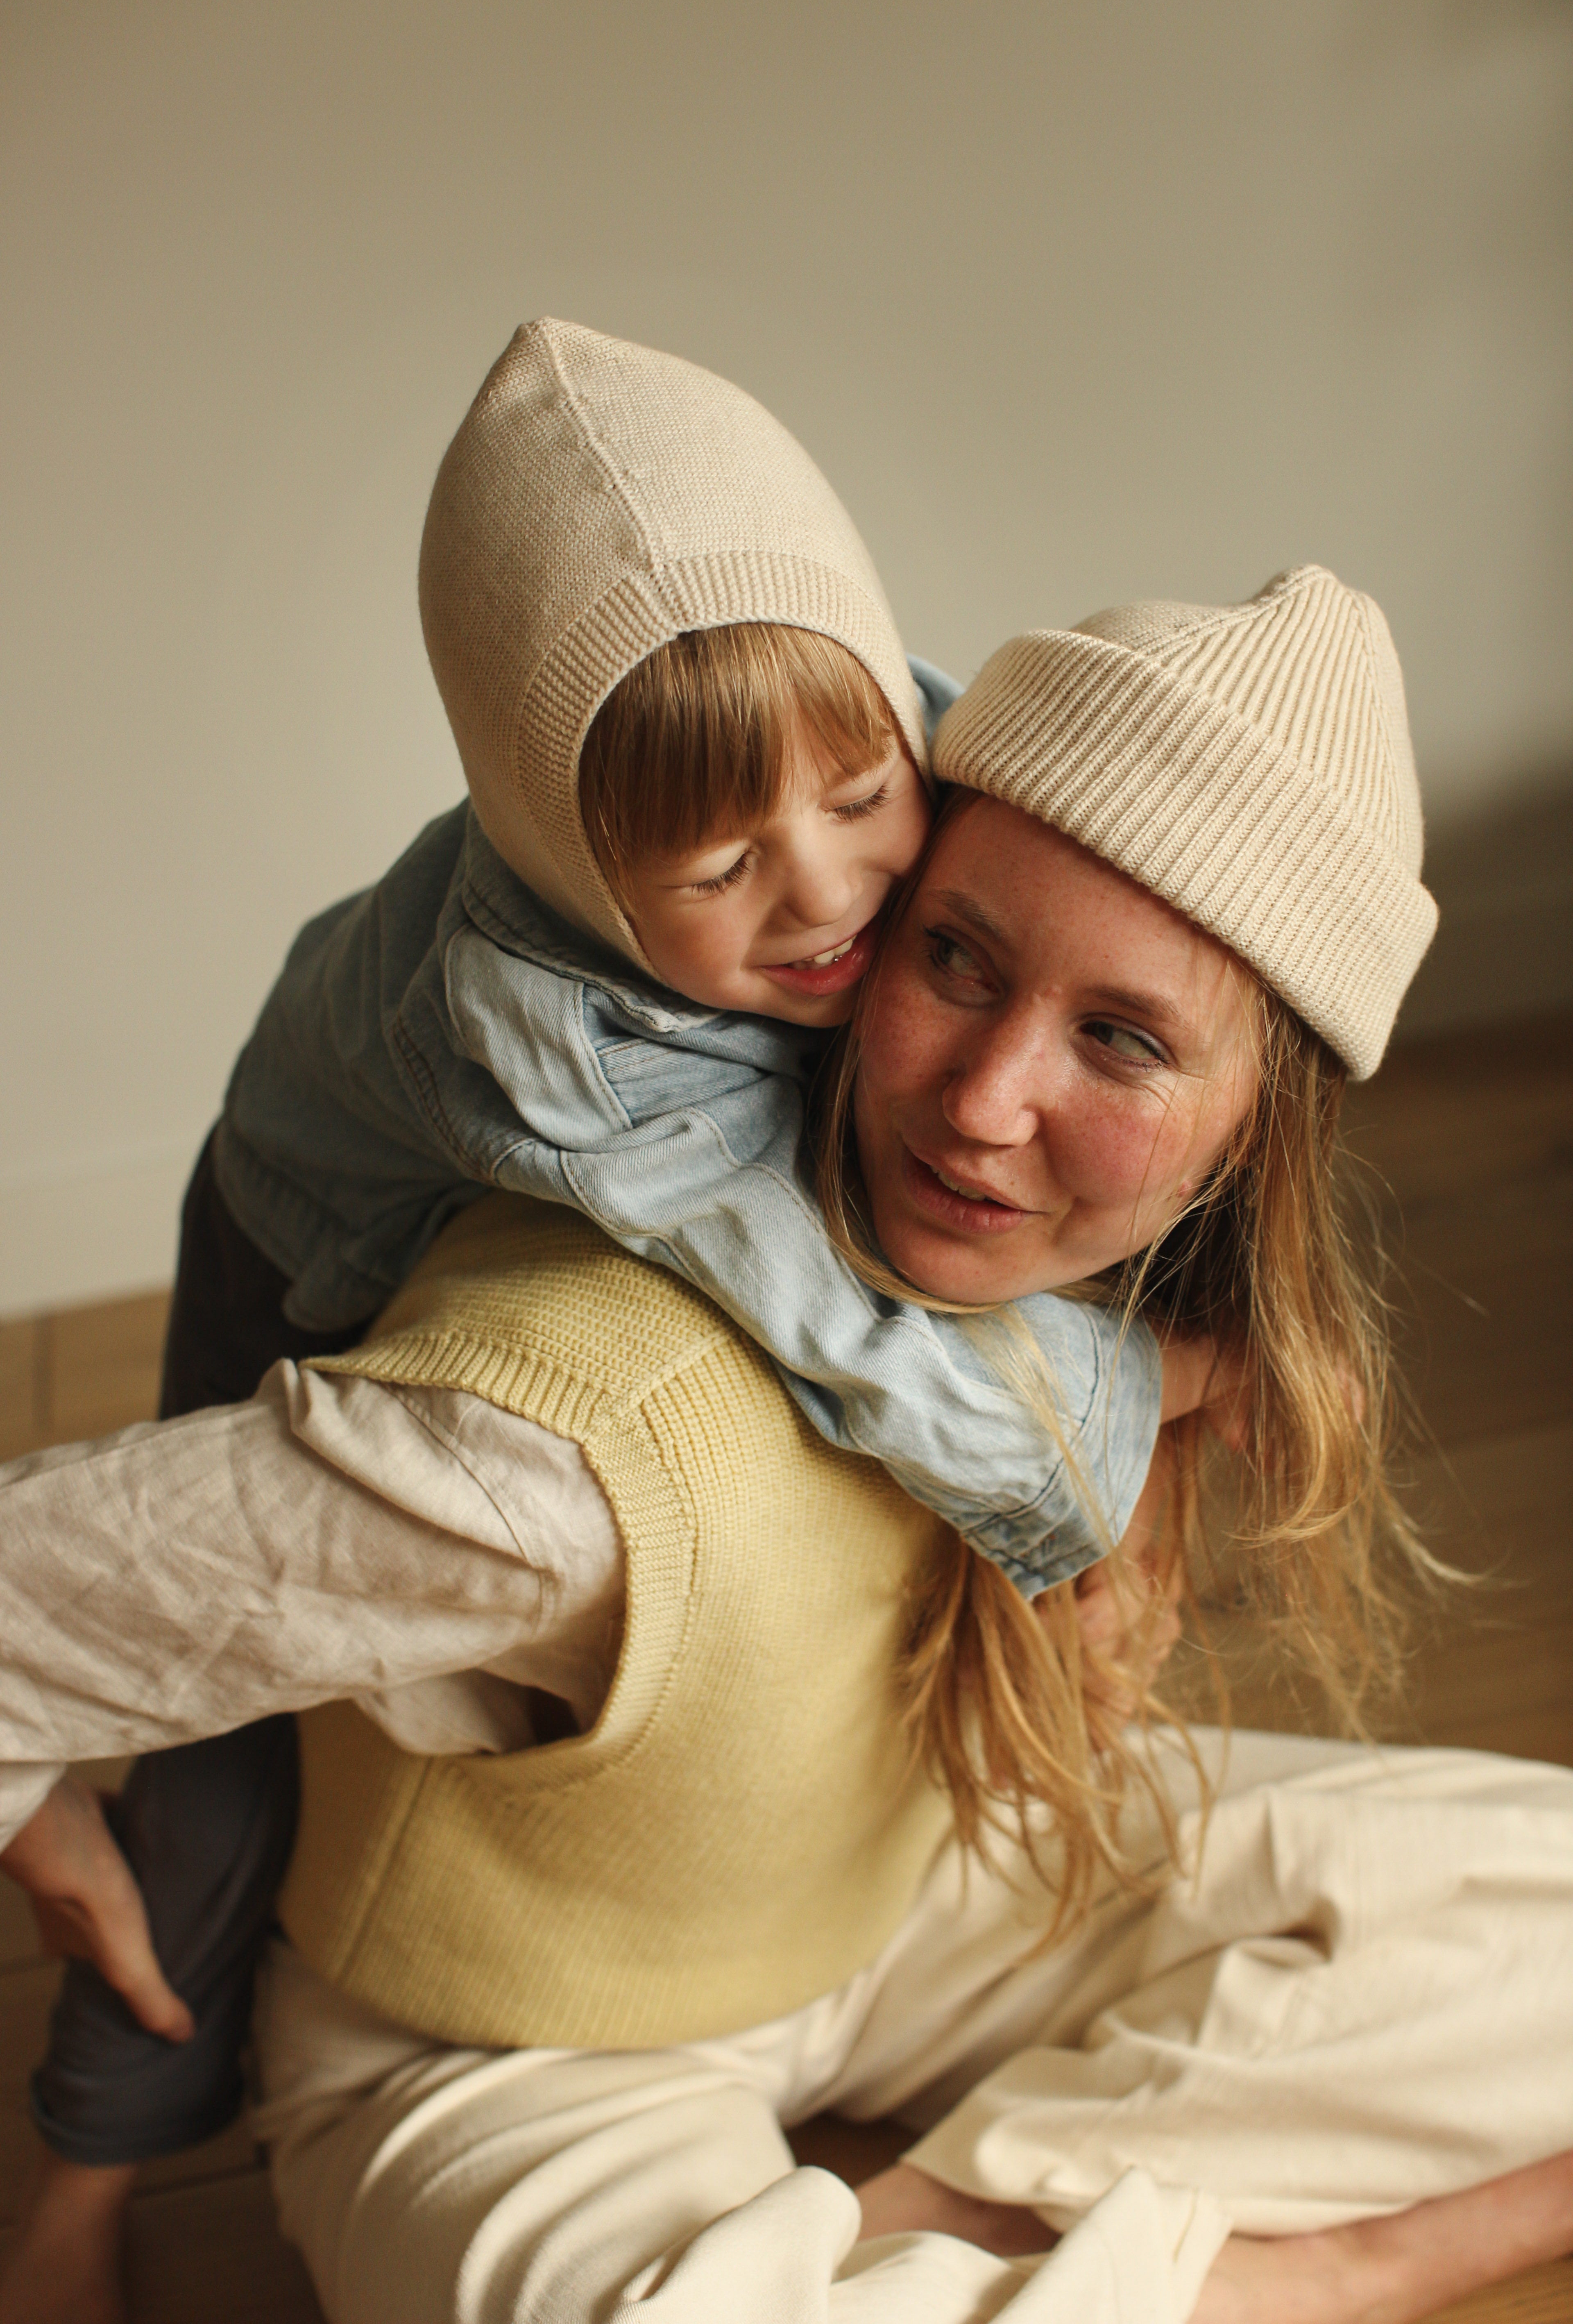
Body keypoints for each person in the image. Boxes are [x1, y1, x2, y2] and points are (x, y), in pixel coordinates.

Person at [2, 564, 1570, 2322]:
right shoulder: (568, 1440)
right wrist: (36, 1812)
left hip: (894, 1897)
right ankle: (1279, 2266)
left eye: (1121, 1039)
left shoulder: (1120, 1321)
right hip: (518, 2039)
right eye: (957, 959)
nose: (982, 1103)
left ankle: (934, 2229)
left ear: (1249, 1139)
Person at [0, 320, 1213, 2318]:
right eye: (722, 865)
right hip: (297, 1233)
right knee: (224, 1764)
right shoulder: (560, 1041)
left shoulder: (900, 757)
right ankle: (81, 2173)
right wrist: (1121, 1408)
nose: (827, 896)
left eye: (863, 793)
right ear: (567, 855)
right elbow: (826, 1295)